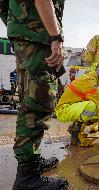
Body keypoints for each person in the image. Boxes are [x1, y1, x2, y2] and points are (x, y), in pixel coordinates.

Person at [0, 0, 68, 189]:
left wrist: (19, 28)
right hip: (38, 37)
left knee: (30, 101)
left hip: (29, 35)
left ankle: (32, 161)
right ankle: (27, 177)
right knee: (36, 105)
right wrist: (55, 37)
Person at [55, 62, 99, 146]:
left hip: (71, 108)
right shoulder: (89, 81)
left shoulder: (92, 80)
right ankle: (75, 137)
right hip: (63, 110)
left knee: (96, 114)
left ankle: (75, 129)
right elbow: (97, 104)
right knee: (92, 107)